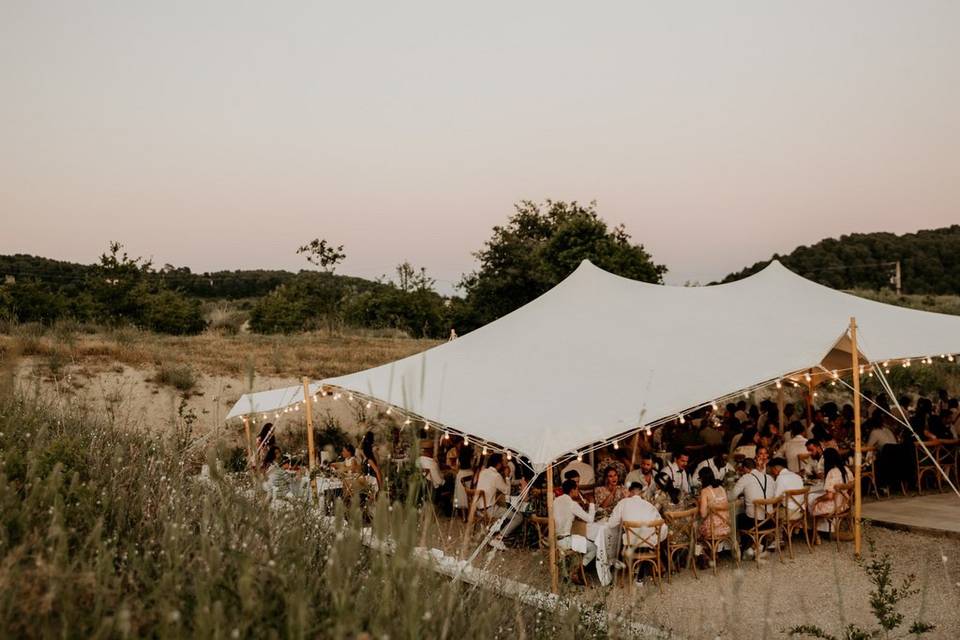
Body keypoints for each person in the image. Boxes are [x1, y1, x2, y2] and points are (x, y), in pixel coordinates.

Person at [477, 454, 527, 550]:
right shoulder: (496, 476)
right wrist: (507, 476)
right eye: (504, 461)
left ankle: (496, 532)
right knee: (518, 517)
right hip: (489, 510)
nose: (506, 462)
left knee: (504, 507)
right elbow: (507, 491)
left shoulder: (483, 472)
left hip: (479, 508)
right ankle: (498, 538)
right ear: (498, 464)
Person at [553, 479, 596, 584]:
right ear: (572, 490)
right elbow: (590, 519)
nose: (578, 492)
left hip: (554, 539)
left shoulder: (555, 501)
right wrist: (592, 504)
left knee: (577, 537)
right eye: (577, 489)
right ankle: (575, 571)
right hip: (565, 541)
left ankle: (567, 573)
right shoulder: (572, 504)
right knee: (594, 547)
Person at [730, 458, 775, 557]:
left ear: (745, 469)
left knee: (737, 518)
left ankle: (745, 548)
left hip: (755, 523)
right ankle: (757, 545)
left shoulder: (746, 477)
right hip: (770, 521)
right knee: (749, 514)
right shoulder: (769, 477)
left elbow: (732, 496)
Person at [608, 481, 667, 555]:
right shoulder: (649, 506)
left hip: (631, 544)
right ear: (642, 493)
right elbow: (663, 527)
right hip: (650, 544)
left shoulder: (622, 503)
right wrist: (656, 541)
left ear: (629, 491)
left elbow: (611, 523)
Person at [811, 448, 851, 519]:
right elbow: (851, 485)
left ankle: (814, 528)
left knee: (811, 503)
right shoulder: (846, 469)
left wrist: (817, 499)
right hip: (845, 504)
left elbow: (829, 496)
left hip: (834, 507)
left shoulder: (831, 473)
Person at [696, 468, 730, 541]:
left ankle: (703, 551)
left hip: (712, 529)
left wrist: (700, 503)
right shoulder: (721, 488)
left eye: (700, 479)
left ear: (703, 479)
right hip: (727, 526)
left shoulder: (704, 491)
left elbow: (703, 514)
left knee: (694, 528)